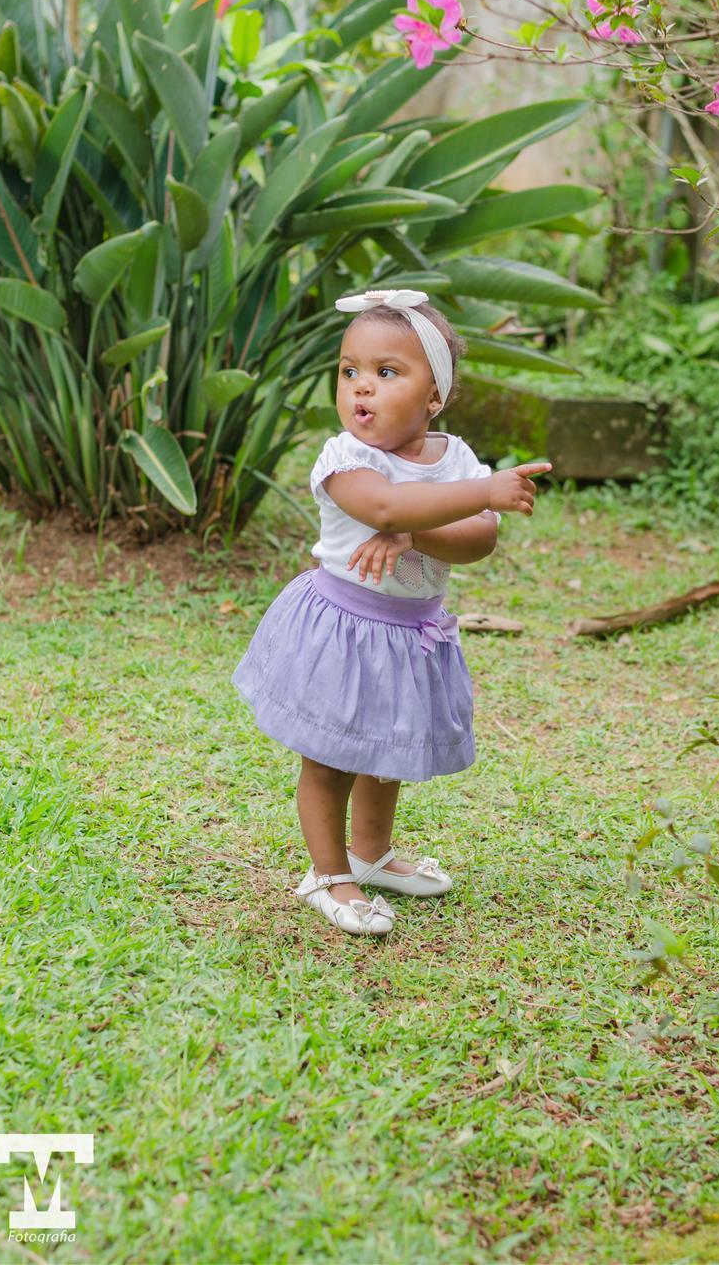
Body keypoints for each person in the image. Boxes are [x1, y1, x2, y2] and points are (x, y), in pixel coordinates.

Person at [232, 289, 551, 937]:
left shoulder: (453, 458)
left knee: (384, 753)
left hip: (408, 633)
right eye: (349, 370)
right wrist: (482, 491)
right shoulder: (346, 458)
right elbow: (383, 508)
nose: (361, 389)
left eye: (386, 372)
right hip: (343, 628)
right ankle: (327, 873)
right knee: (330, 759)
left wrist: (420, 535)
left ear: (435, 395)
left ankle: (370, 853)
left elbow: (479, 539)